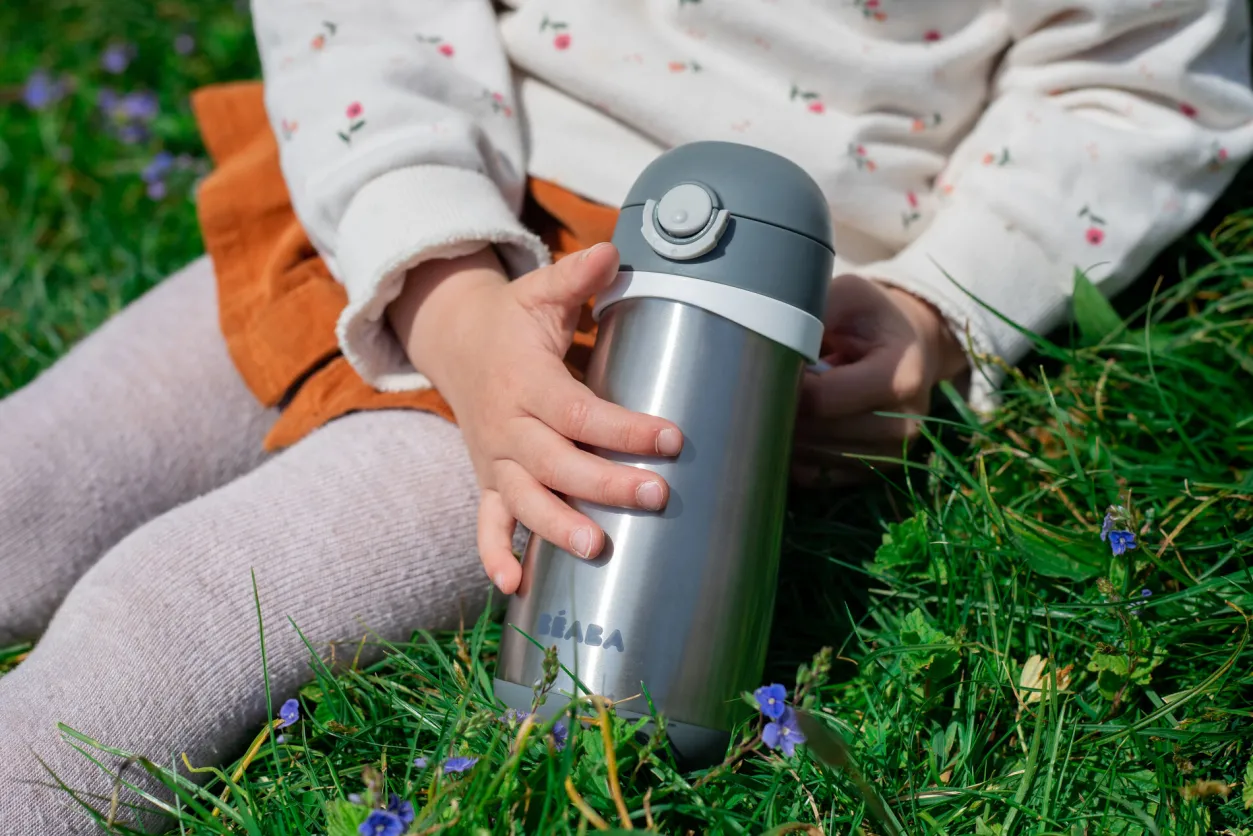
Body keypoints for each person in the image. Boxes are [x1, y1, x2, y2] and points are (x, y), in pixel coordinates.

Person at [2, 0, 1251, 830]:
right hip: (408, 185)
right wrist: (441, 279)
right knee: (32, 480)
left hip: (697, 341)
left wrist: (941, 302)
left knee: (181, 607)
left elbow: (1144, 82)